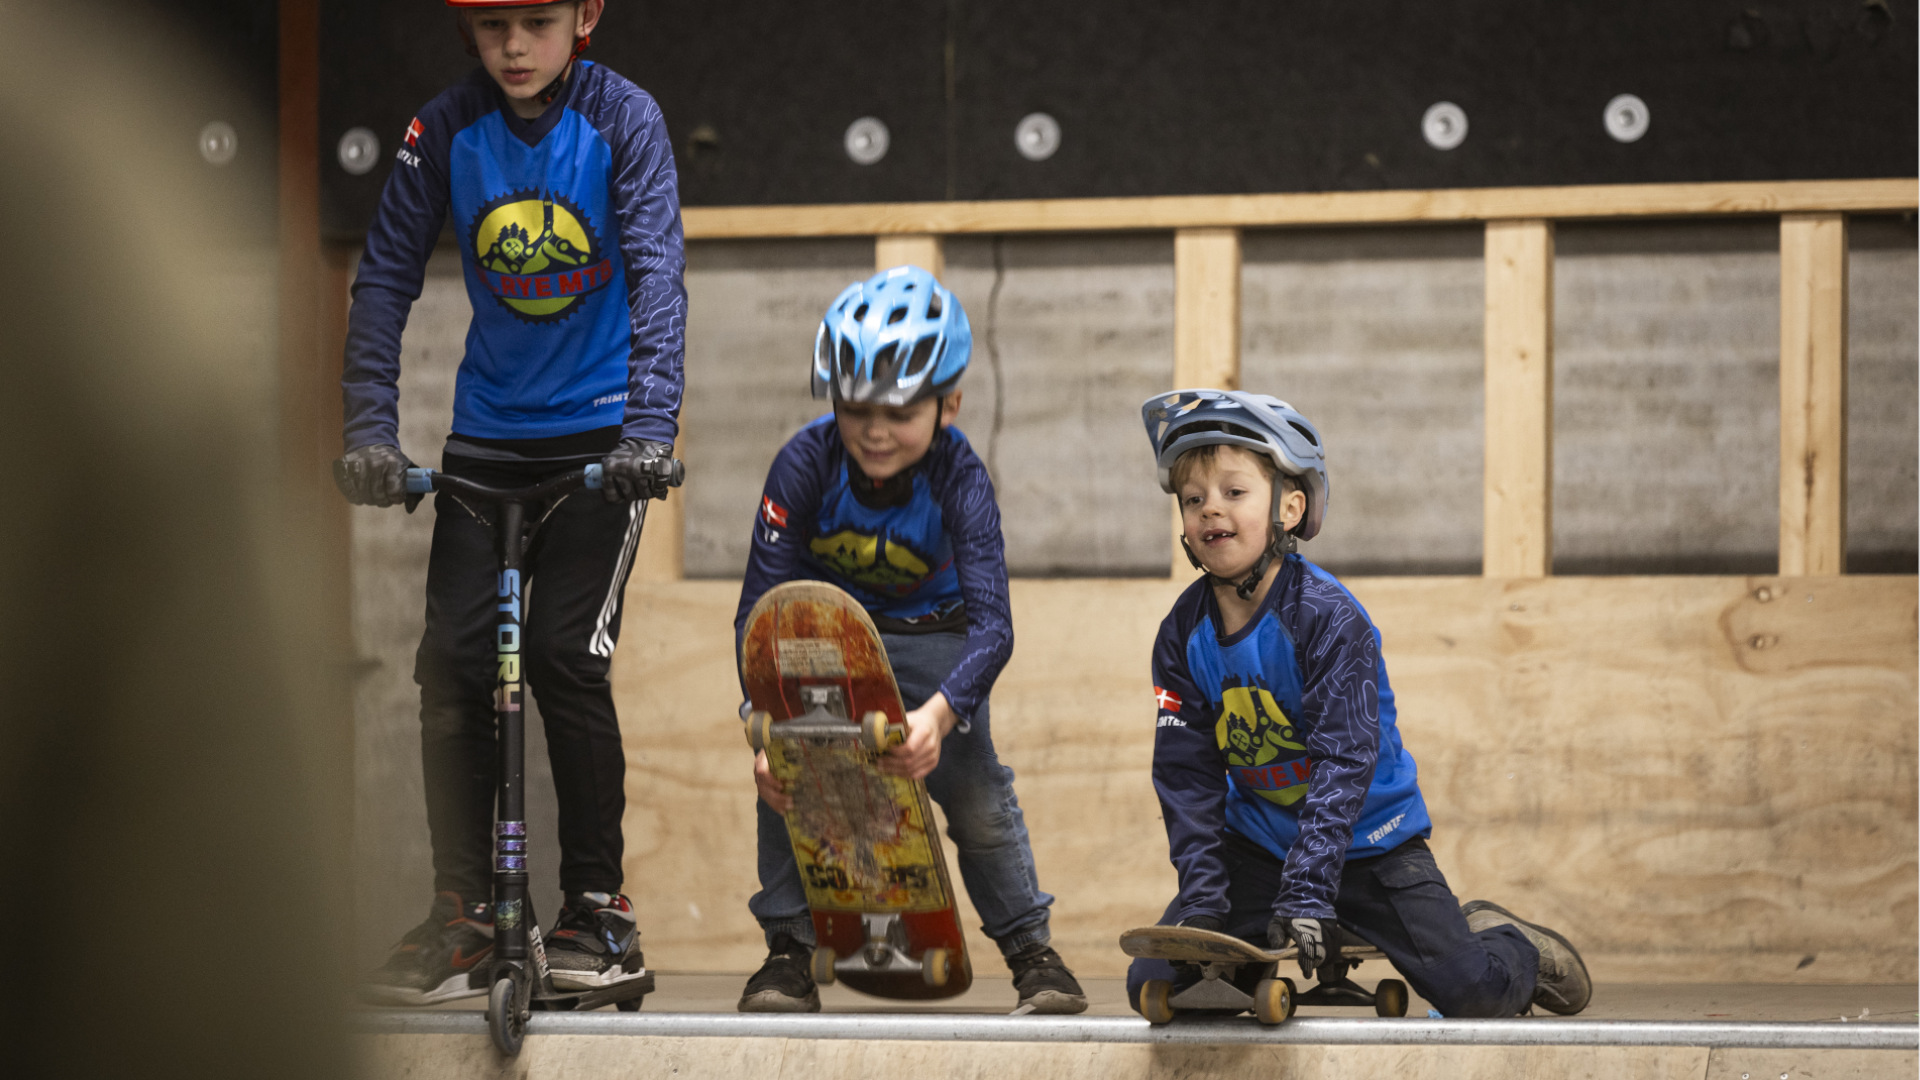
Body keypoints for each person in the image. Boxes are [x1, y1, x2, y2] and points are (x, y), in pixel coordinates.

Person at [332, 0, 685, 1005]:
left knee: (567, 658)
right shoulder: (443, 129)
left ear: (586, 15)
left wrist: (649, 429)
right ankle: (469, 913)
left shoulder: (623, 119)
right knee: (451, 667)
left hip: (601, 446)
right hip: (485, 444)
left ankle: (599, 912)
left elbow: (657, 273)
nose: (516, 47)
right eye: (493, 27)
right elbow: (385, 278)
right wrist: (369, 431)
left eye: (537, 21)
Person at [1127, 389, 1591, 1018]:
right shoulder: (1181, 634)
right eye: (1192, 499)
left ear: (1290, 507)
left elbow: (1345, 761)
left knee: (1473, 993)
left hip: (1372, 843)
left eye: (1234, 492)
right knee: (1155, 984)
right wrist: (1205, 906)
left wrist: (1310, 887)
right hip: (1260, 847)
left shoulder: (1326, 617)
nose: (1211, 508)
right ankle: (1246, 951)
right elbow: (1186, 777)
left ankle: (1511, 945)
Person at [731, 265, 1085, 1015]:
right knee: (787, 781)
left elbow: (994, 626)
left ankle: (1034, 956)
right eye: (856, 408)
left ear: (949, 403)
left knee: (976, 789)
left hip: (937, 639)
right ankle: (788, 954)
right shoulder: (803, 464)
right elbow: (757, 616)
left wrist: (941, 716)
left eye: (899, 411)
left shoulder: (961, 476)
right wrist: (761, 728)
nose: (875, 430)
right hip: (828, 641)